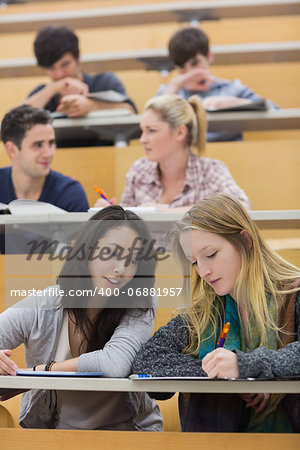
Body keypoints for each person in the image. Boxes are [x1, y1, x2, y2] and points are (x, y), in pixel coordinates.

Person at [133, 193, 300, 433]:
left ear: (246, 240)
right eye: (194, 262)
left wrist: (246, 365)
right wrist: (219, 369)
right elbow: (147, 361)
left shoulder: (294, 293)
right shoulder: (202, 313)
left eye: (210, 255)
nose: (203, 271)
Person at [0, 205, 163, 431]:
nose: (121, 269)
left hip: (129, 436)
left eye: (133, 259)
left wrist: (42, 372)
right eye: (112, 253)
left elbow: (113, 365)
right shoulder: (47, 304)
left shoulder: (141, 301)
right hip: (55, 438)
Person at [107, 95, 250, 210]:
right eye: (142, 131)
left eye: (151, 131)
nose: (142, 140)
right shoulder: (138, 171)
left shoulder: (210, 171)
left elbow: (242, 208)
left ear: (180, 133)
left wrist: (165, 212)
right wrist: (112, 214)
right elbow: (126, 227)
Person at [158, 27, 276, 141]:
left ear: (209, 57)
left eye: (195, 63)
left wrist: (236, 103)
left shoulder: (232, 89)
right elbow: (152, 125)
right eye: (182, 67)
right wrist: (174, 86)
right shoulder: (169, 92)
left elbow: (274, 110)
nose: (190, 73)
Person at [25, 25, 136, 118]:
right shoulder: (42, 93)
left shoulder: (104, 82)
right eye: (51, 68)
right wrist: (53, 88)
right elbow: (17, 122)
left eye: (65, 64)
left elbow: (131, 112)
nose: (59, 74)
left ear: (78, 57)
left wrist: (92, 106)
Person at [0, 104, 89, 212]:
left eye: (51, 143)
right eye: (38, 145)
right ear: (12, 150)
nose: (49, 153)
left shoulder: (70, 193)